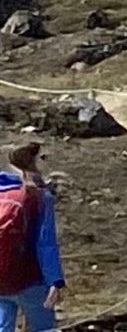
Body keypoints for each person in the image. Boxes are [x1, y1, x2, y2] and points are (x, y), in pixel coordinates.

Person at [0, 140, 64, 332]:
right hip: (31, 280)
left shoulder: (2, 193)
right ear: (33, 162)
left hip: (1, 278)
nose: (47, 161)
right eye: (43, 157)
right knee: (44, 327)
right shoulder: (39, 196)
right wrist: (55, 281)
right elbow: (45, 243)